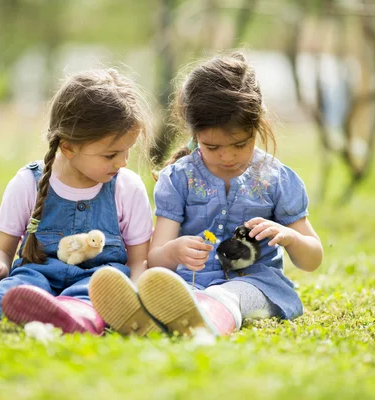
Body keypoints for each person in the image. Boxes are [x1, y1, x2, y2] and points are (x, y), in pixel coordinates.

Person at [91, 52, 323, 336]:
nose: (227, 156)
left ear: (257, 125)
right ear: (194, 133)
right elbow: (157, 256)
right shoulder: (179, 179)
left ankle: (206, 319)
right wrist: (174, 251)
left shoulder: (276, 179)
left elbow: (312, 259)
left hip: (255, 285)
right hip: (188, 283)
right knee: (158, 285)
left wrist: (290, 237)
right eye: (211, 147)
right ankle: (153, 314)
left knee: (232, 296)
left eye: (239, 144)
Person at [0, 68, 159, 336]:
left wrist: (133, 294)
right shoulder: (28, 183)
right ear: (67, 147)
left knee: (92, 297)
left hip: (98, 284)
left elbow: (139, 260)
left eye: (128, 151)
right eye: (111, 154)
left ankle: (70, 317)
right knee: (15, 290)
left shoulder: (127, 188)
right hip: (35, 277)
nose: (123, 162)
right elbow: (0, 249)